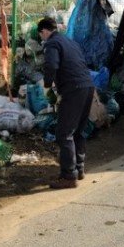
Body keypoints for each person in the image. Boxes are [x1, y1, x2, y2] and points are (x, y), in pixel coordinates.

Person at [38, 16, 95, 189]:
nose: (42, 38)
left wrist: (47, 85)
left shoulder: (52, 44)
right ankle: (79, 168)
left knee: (64, 133)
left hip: (74, 89)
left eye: (41, 35)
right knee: (78, 130)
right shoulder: (69, 42)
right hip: (88, 87)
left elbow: (52, 65)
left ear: (45, 31)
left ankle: (69, 176)